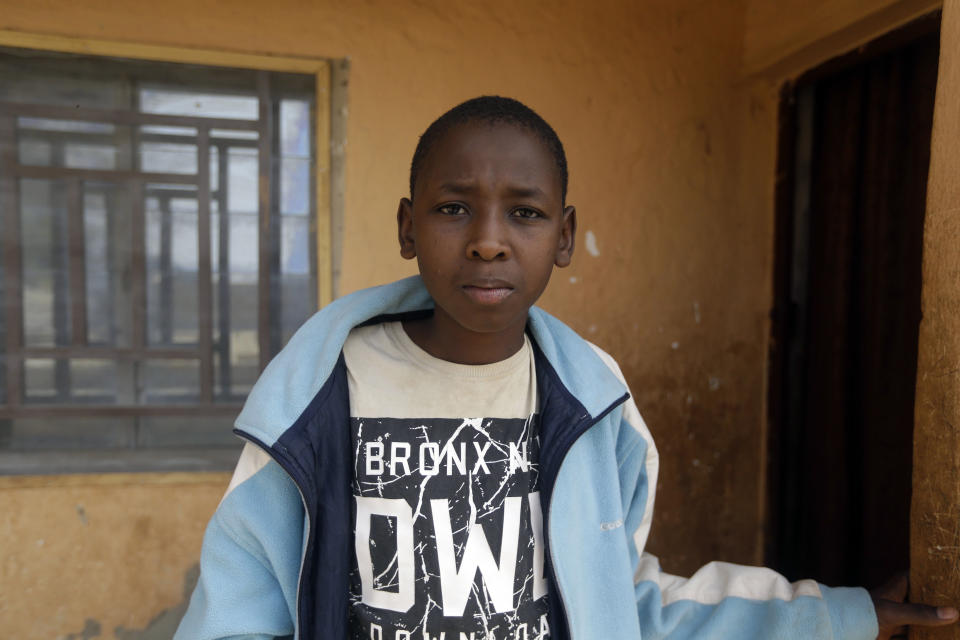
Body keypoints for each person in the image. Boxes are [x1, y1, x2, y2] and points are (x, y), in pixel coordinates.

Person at [174, 96, 957, 640]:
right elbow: (239, 611)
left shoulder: (591, 408)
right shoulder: (316, 400)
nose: (487, 239)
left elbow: (625, 604)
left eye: (525, 211)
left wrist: (832, 615)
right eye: (453, 209)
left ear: (566, 235)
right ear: (408, 226)